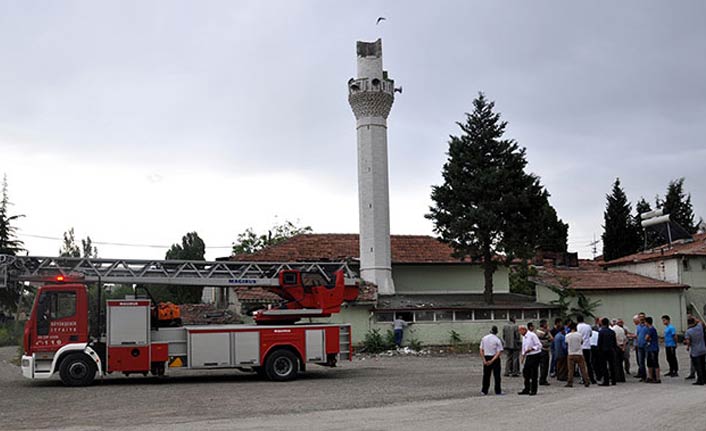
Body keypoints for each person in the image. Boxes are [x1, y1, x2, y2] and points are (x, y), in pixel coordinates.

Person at [518, 324, 542, 396]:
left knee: (534, 373)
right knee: (526, 372)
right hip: (528, 355)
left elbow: (539, 345)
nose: (519, 332)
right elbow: (524, 347)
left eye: (520, 330)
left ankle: (533, 389)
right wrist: (523, 356)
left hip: (535, 355)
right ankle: (527, 388)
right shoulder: (524, 337)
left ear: (524, 329)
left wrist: (532, 349)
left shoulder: (532, 335)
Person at [479, 326, 504, 395]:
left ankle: (484, 390)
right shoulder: (497, 340)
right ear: (496, 332)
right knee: (497, 375)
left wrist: (484, 359)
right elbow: (499, 352)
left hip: (486, 357)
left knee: (486, 375)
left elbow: (481, 350)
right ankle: (498, 390)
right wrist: (492, 360)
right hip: (494, 358)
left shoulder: (484, 338)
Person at [565, 322, 591, 388]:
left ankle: (570, 382)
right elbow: (582, 342)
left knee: (571, 370)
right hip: (579, 353)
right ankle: (586, 381)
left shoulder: (567, 335)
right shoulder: (579, 335)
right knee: (583, 369)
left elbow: (566, 343)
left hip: (571, 353)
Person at [684, 317, 706, 385]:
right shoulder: (699, 327)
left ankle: (700, 380)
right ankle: (704, 378)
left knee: (697, 366)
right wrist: (694, 318)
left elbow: (688, 342)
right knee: (703, 365)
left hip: (695, 351)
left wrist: (687, 346)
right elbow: (701, 322)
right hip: (703, 348)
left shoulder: (688, 331)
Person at [576, 315, 597, 384]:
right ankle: (592, 378)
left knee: (581, 364)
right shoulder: (588, 326)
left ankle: (583, 378)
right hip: (587, 346)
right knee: (588, 363)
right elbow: (590, 334)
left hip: (580, 347)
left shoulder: (577, 327)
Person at [598, 317, 618, 386]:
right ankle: (613, 380)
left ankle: (606, 381)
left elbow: (599, 342)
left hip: (603, 351)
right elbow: (614, 342)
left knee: (604, 366)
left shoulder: (601, 332)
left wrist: (599, 350)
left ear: (602, 323)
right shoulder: (612, 332)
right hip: (611, 350)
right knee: (612, 365)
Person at [536, 319, 553, 386]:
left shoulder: (537, 331)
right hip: (544, 349)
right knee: (544, 366)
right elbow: (551, 338)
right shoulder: (543, 332)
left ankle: (542, 379)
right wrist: (548, 331)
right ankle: (543, 380)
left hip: (540, 350)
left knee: (542, 366)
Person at [644, 316, 661, 383]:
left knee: (655, 363)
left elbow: (646, 338)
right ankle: (650, 377)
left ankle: (657, 378)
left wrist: (648, 338)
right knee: (649, 363)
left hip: (653, 348)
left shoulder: (651, 329)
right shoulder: (650, 329)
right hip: (650, 348)